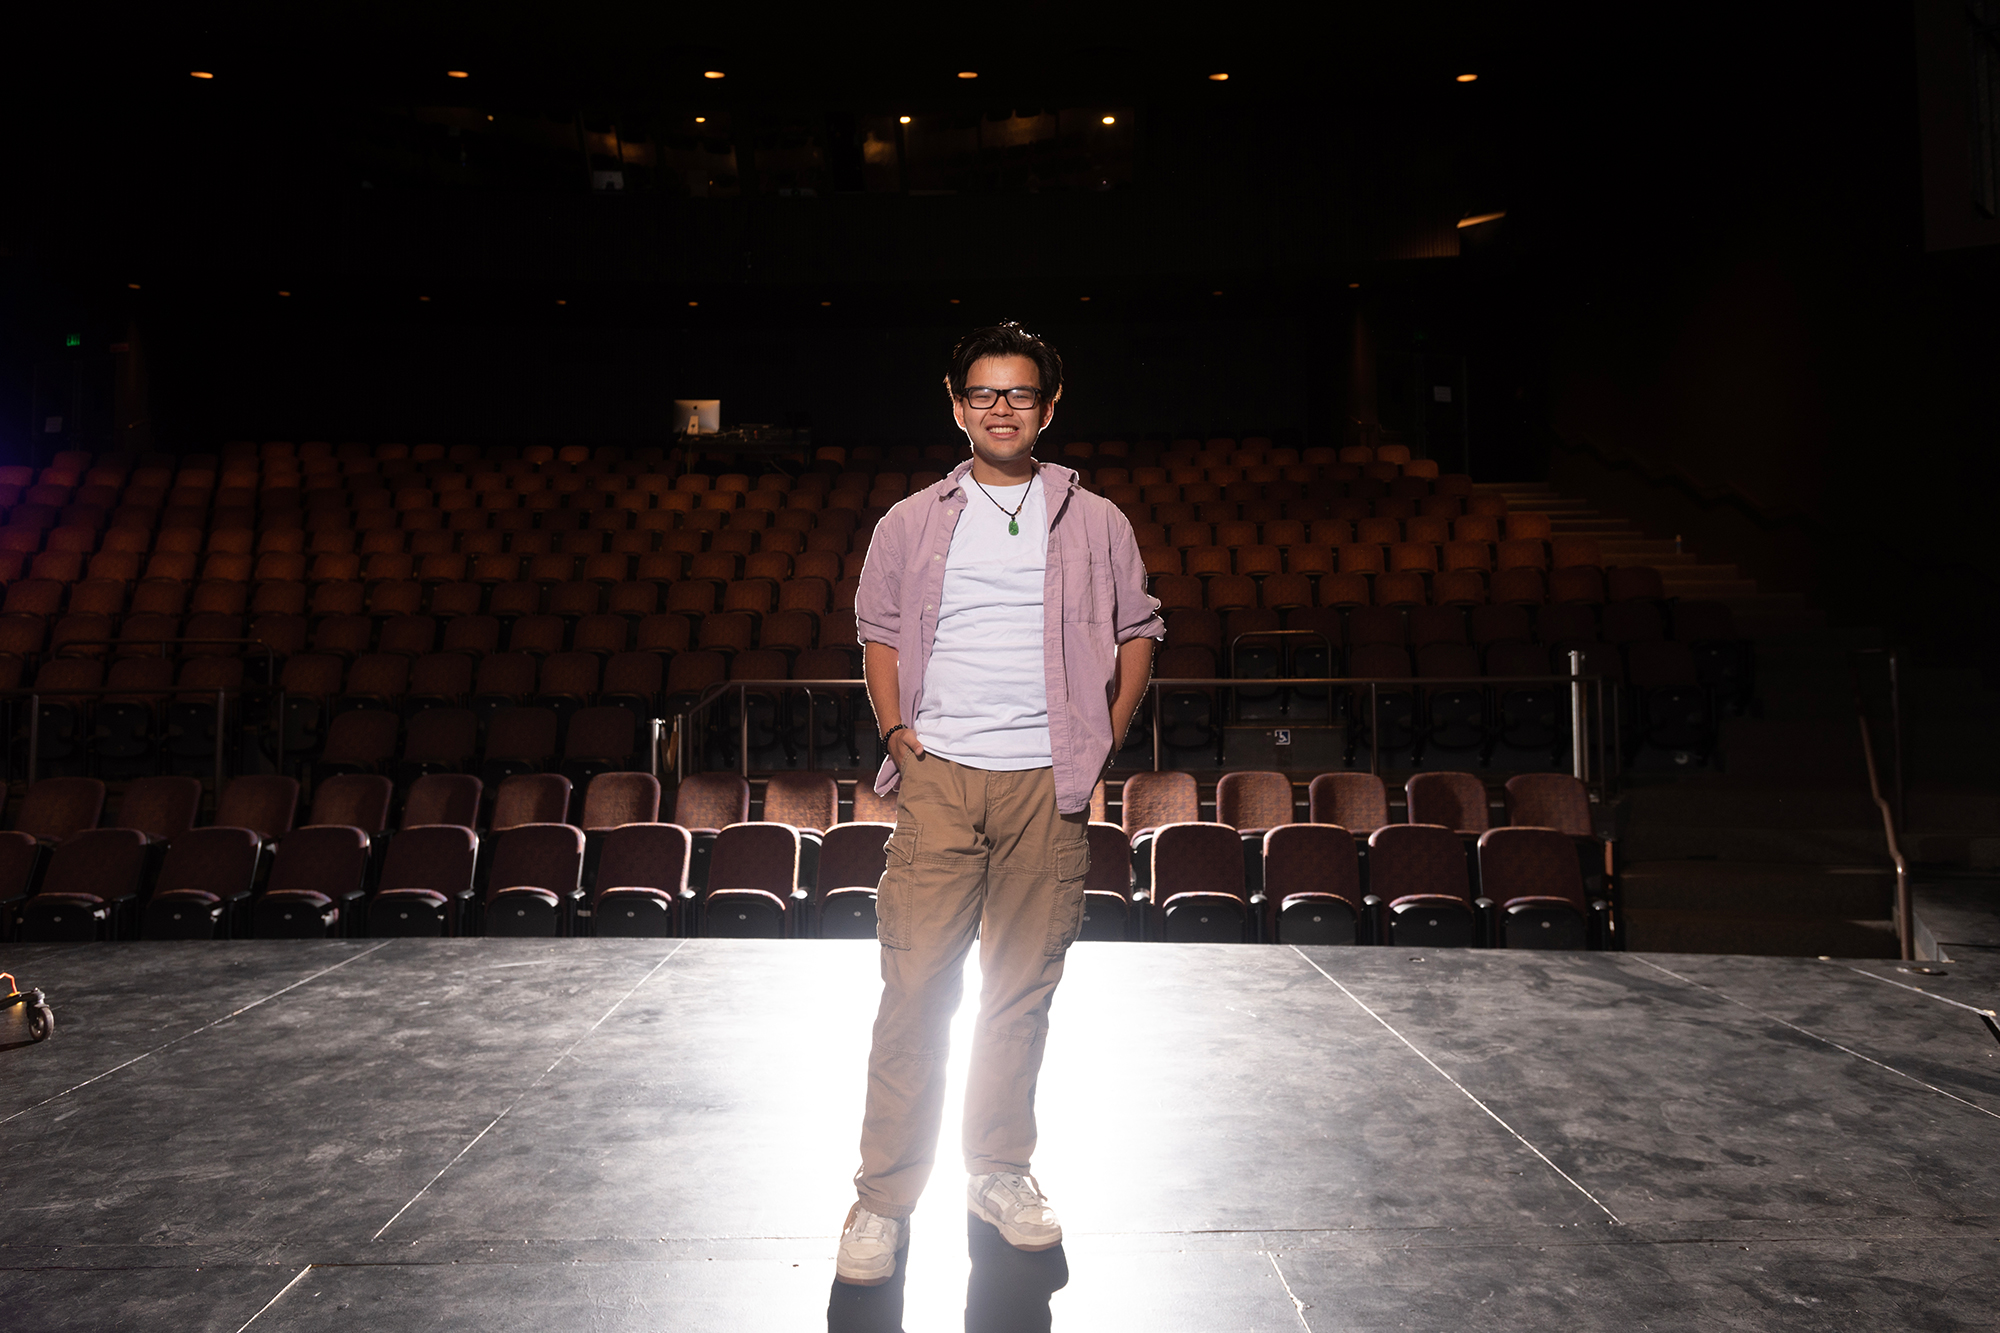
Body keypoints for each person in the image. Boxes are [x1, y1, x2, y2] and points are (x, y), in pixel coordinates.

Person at [835, 322, 1163, 1286]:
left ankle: (999, 1172)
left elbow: (1140, 627)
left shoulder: (1096, 520)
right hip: (939, 779)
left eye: (1020, 394)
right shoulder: (911, 521)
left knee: (1019, 996)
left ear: (1047, 408)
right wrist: (900, 734)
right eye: (984, 393)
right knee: (916, 991)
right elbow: (880, 633)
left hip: (1045, 786)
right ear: (957, 405)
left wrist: (1101, 732)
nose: (1002, 408)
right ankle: (883, 1197)